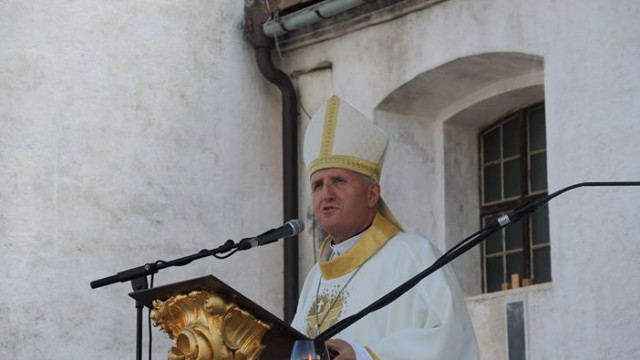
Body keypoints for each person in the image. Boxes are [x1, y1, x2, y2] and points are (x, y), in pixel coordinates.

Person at [291, 95, 479, 360]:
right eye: (317, 185)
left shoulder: (414, 256)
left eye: (339, 181)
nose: (327, 193)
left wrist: (364, 356)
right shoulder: (315, 278)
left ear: (372, 194)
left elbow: (452, 343)